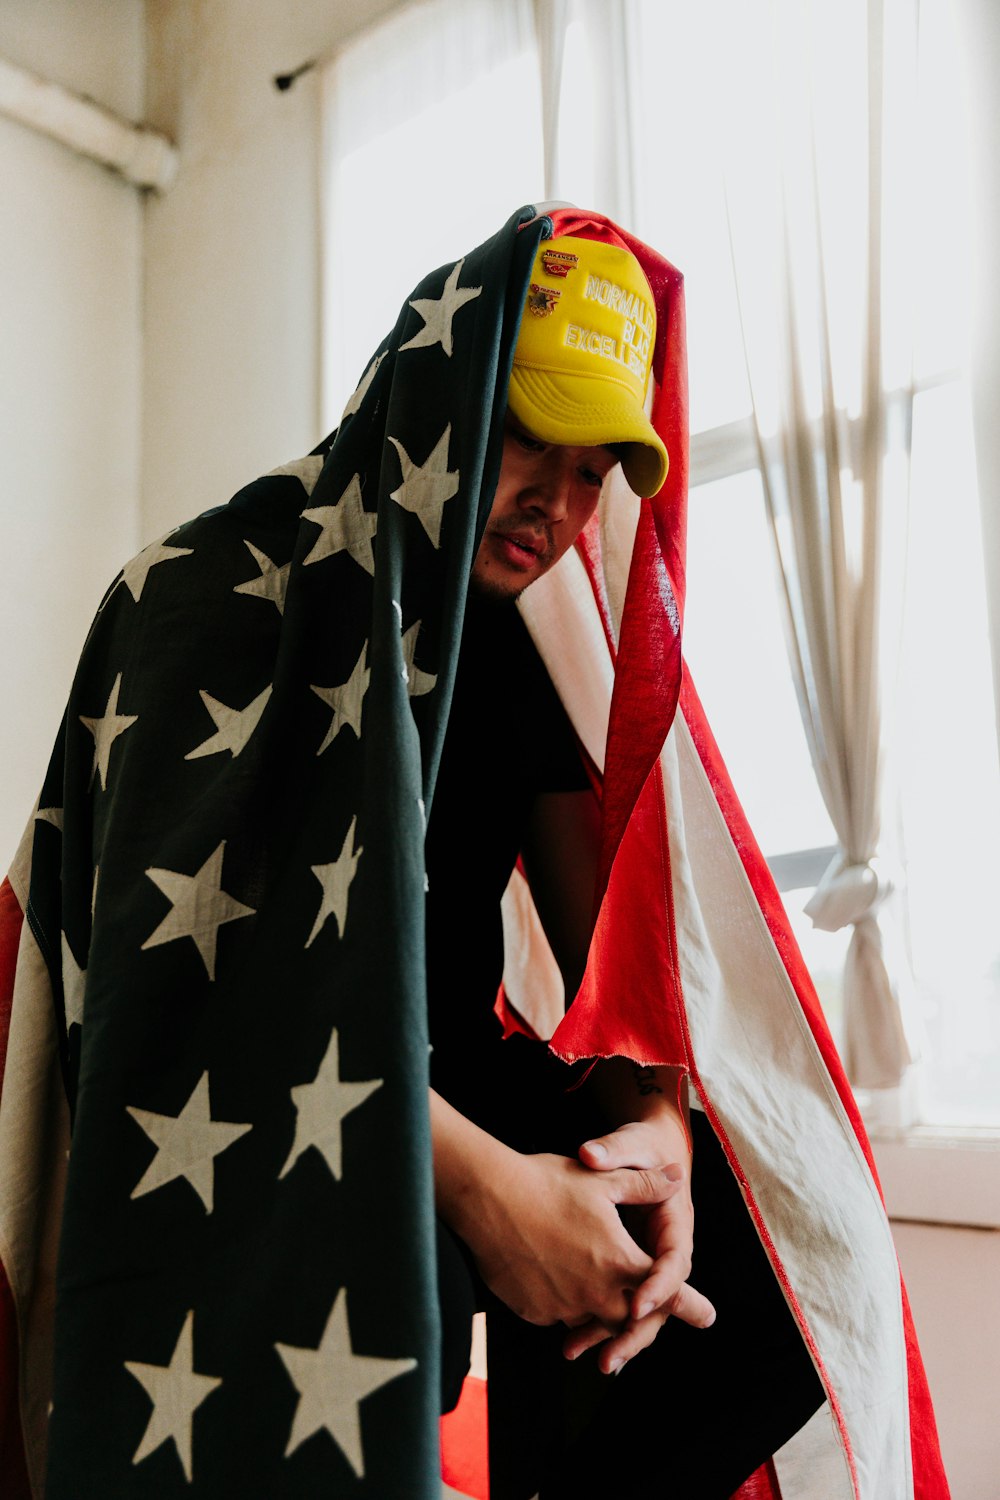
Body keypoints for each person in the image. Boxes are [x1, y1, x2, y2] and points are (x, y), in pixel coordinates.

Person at [0, 206, 949, 1500]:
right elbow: (188, 1002)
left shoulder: (523, 647)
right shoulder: (209, 594)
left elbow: (606, 970)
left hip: (449, 1071)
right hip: (255, 1087)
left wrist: (652, 1136)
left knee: (801, 1249)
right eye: (526, 441)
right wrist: (490, 1190)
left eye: (593, 471)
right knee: (395, 1270)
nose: (557, 506)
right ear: (431, 399)